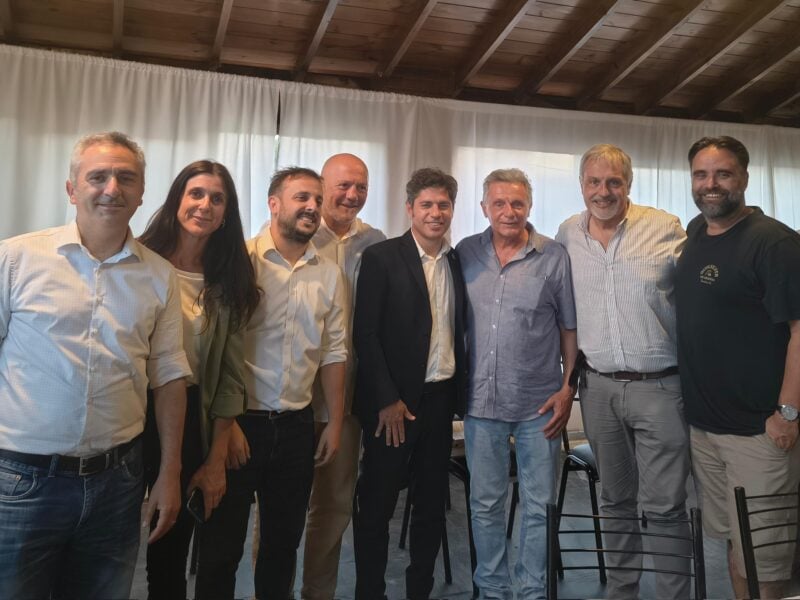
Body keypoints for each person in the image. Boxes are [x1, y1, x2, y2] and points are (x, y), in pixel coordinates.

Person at [0, 131, 191, 598]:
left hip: (117, 485)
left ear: (141, 192)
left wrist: (169, 473)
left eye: (126, 178)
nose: (112, 188)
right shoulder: (15, 259)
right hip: (20, 482)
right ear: (72, 189)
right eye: (98, 176)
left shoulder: (160, 276)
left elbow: (169, 377)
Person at [196, 166, 347, 600]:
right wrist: (228, 425)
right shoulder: (238, 262)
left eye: (317, 199)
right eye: (302, 198)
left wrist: (334, 422)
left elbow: (334, 352)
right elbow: (215, 350)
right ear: (274, 204)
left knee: (282, 548)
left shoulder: (329, 274)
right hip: (239, 427)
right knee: (221, 549)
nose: (312, 207)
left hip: (297, 428)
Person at [555, 144, 691, 599]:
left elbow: (701, 296)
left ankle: (674, 595)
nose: (603, 191)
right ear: (581, 185)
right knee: (615, 500)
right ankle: (621, 591)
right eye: (594, 182)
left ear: (628, 185)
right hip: (598, 389)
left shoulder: (664, 227)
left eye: (613, 182)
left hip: (661, 388)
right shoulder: (567, 234)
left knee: (666, 506)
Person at [676, 135, 800, 599]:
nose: (711, 184)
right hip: (706, 428)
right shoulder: (696, 233)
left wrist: (788, 413)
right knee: (734, 543)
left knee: (765, 558)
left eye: (723, 174)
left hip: (758, 431)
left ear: (744, 178)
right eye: (701, 174)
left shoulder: (775, 243)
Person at [137, 160, 260, 599]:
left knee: (168, 546)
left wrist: (218, 449)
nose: (205, 205)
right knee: (110, 542)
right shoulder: (139, 260)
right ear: (177, 200)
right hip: (130, 411)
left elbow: (229, 374)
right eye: (196, 194)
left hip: (191, 416)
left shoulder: (229, 277)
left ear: (226, 213)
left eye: (217, 198)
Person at [457, 168, 577, 599]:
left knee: (539, 505)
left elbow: (568, 328)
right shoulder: (465, 253)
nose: (509, 211)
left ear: (529, 206)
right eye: (499, 203)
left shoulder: (553, 257)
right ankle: (492, 588)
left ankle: (532, 590)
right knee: (485, 505)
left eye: (517, 203)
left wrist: (568, 388)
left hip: (539, 405)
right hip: (480, 403)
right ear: (484, 207)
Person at [352, 167, 467, 600]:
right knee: (376, 506)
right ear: (410, 209)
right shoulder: (381, 257)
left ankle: (420, 589)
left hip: (440, 400)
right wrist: (387, 399)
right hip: (393, 407)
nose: (436, 213)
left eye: (443, 205)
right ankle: (370, 593)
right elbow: (365, 334)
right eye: (427, 205)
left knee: (431, 507)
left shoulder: (457, 260)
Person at [302, 153, 386, 600]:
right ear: (321, 185)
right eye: (343, 185)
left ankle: (318, 592)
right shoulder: (295, 231)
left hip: (347, 399)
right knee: (281, 508)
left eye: (361, 187)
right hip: (292, 394)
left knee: (333, 507)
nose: (352, 195)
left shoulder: (376, 243)